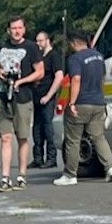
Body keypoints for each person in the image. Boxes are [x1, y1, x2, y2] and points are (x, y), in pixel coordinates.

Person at [0, 17, 46, 191]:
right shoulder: (2, 45)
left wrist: (21, 81)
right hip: (2, 95)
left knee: (22, 136)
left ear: (24, 29)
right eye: (13, 28)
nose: (16, 31)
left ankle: (21, 175)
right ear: (8, 30)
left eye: (19, 28)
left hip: (22, 96)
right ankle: (5, 177)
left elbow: (40, 72)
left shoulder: (31, 47)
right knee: (5, 138)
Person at [55, 31, 112, 185]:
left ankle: (70, 175)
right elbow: (103, 78)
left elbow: (76, 79)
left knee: (73, 140)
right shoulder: (99, 57)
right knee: (98, 136)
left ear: (74, 43)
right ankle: (110, 167)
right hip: (98, 102)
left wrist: (72, 102)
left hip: (82, 103)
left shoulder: (75, 59)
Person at [32, 31, 66, 167]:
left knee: (48, 128)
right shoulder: (39, 57)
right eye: (37, 41)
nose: (38, 43)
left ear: (47, 40)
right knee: (37, 128)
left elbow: (59, 77)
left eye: (40, 41)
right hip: (36, 97)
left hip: (48, 97)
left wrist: (48, 96)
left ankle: (51, 159)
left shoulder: (54, 56)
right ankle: (38, 158)